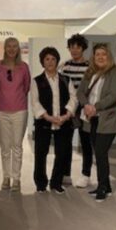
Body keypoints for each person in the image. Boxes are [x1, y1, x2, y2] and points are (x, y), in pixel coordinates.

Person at [77, 43, 116, 202]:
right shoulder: (90, 71)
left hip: (108, 117)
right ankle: (106, 186)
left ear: (109, 56)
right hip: (92, 118)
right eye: (97, 54)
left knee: (100, 152)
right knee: (98, 152)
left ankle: (102, 187)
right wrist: (86, 105)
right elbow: (80, 92)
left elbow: (113, 95)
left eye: (103, 54)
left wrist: (95, 107)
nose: (100, 57)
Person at [31, 47, 76, 194]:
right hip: (44, 122)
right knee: (40, 153)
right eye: (47, 59)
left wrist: (66, 115)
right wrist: (48, 117)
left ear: (57, 61)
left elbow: (73, 98)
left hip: (63, 122)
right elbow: (35, 102)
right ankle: (41, 183)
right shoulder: (36, 81)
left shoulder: (66, 79)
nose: (50, 62)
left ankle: (56, 183)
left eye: (53, 59)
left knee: (61, 153)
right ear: (42, 62)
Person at [0, 37, 31, 192]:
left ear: (18, 49)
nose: (12, 49)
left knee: (17, 146)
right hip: (0, 111)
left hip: (19, 111)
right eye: (9, 46)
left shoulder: (24, 67)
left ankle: (16, 178)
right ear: (5, 48)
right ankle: (6, 177)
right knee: (5, 147)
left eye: (15, 46)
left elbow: (26, 87)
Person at [59, 33, 92, 188]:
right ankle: (66, 174)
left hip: (85, 106)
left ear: (83, 48)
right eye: (72, 47)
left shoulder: (90, 66)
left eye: (78, 47)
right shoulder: (64, 66)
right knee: (66, 141)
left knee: (86, 141)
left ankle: (86, 174)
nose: (74, 50)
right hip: (70, 107)